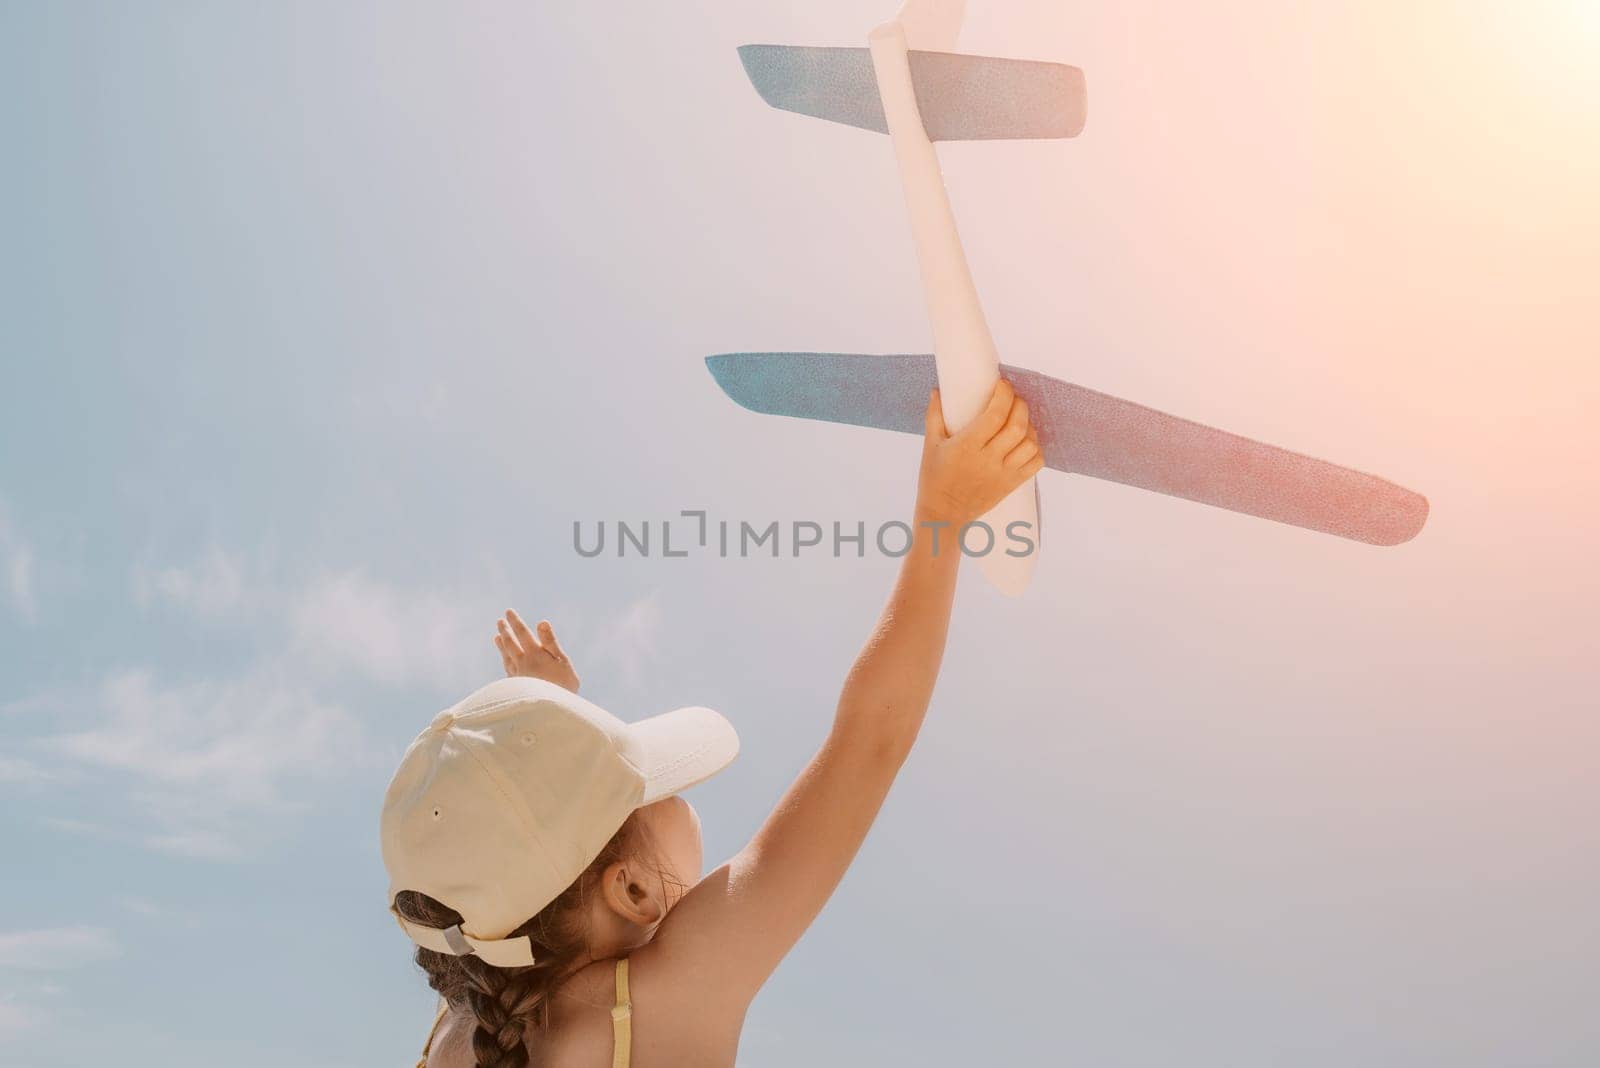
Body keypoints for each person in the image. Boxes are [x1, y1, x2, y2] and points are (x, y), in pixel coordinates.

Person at [382, 380, 1044, 1067]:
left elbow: (487, 895)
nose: (670, 792)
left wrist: (549, 727)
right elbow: (867, 741)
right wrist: (945, 511)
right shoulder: (665, 994)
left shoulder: (459, 1034)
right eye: (655, 789)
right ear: (633, 890)